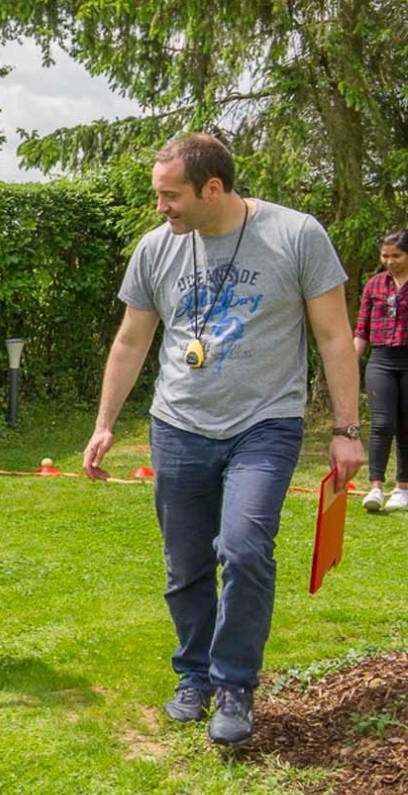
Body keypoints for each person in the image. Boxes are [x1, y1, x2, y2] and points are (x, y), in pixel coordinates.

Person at [81, 133, 364, 744]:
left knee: (242, 549)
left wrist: (346, 430)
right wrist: (105, 422)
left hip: (265, 423)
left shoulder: (296, 235)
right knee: (185, 566)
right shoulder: (156, 250)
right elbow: (131, 341)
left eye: (170, 195)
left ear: (214, 188)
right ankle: (194, 674)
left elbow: (335, 336)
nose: (162, 207)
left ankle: (235, 682)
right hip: (179, 425)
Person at [354, 230, 408, 512]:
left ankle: (402, 488)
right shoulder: (374, 285)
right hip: (381, 360)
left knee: (405, 426)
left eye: (396, 256)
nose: (389, 261)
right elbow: (361, 329)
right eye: (385, 256)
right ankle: (375, 487)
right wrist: (349, 365)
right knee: (382, 423)